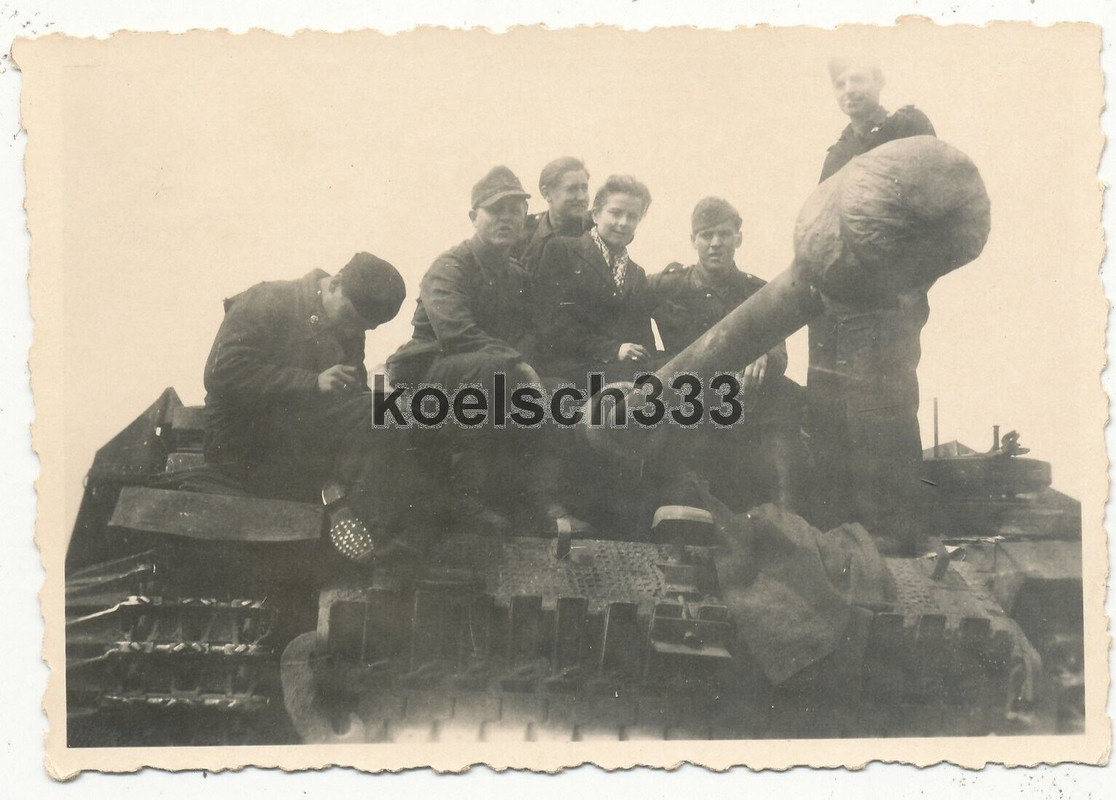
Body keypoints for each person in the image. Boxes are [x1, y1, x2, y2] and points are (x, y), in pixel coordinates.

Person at [386, 165, 579, 533]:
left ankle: (542, 499)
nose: (507, 218)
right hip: (427, 380)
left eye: (516, 210)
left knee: (559, 391)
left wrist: (530, 370)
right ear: (474, 217)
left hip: (490, 375)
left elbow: (528, 334)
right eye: (496, 210)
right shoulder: (450, 266)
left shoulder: (516, 275)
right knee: (494, 370)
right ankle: (465, 495)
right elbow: (456, 333)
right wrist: (520, 365)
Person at [202, 252, 411, 559]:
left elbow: (348, 393)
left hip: (297, 435)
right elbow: (221, 372)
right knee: (374, 415)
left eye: (366, 329)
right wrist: (311, 382)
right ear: (335, 284)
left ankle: (363, 520)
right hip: (242, 441)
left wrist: (385, 397)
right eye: (353, 319)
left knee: (392, 412)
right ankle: (364, 534)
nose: (356, 332)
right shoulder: (268, 299)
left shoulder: (346, 326)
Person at [807, 58, 937, 554]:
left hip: (885, 297)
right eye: (838, 82)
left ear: (879, 80)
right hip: (835, 300)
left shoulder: (907, 128)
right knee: (829, 409)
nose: (847, 89)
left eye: (856, 79)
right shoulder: (837, 152)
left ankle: (895, 529)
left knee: (880, 410)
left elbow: (933, 204)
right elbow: (820, 221)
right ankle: (840, 530)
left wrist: (909, 284)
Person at [649, 197, 804, 510]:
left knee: (787, 396)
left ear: (739, 238)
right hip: (685, 396)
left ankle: (787, 510)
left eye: (723, 234)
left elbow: (779, 350)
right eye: (706, 235)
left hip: (740, 393)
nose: (715, 243)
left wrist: (764, 353)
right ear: (693, 241)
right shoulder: (666, 286)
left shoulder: (759, 292)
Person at [533, 174, 658, 387]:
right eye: (616, 213)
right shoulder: (562, 250)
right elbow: (552, 324)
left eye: (632, 216)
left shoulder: (636, 273)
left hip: (618, 369)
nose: (623, 223)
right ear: (596, 214)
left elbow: (643, 339)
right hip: (569, 367)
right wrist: (614, 350)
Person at [515, 156, 593, 272]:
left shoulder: (596, 231)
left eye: (584, 188)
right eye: (572, 189)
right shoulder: (524, 234)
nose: (581, 197)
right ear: (546, 193)